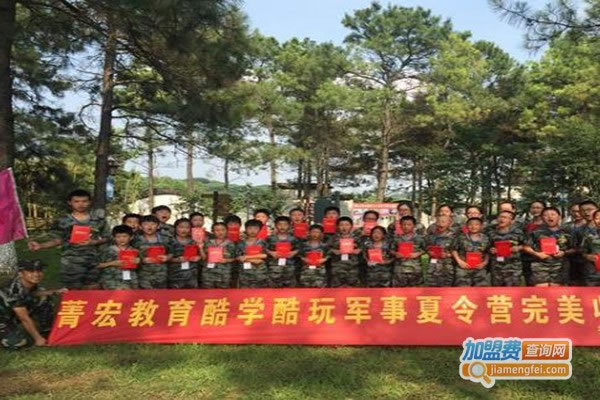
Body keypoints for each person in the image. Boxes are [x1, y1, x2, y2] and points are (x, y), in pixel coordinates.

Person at [28, 189, 109, 289]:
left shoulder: (99, 220)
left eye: (84, 201)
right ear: (70, 202)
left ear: (90, 202)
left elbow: (107, 237)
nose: (81, 204)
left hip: (94, 261)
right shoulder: (62, 221)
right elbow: (57, 240)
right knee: (72, 291)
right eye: (76, 201)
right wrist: (41, 245)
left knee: (93, 289)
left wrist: (94, 242)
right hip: (71, 262)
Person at [0, 260, 66, 349]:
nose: (36, 274)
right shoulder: (13, 290)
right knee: (17, 343)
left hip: (11, 313)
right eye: (30, 271)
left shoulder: (28, 282)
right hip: (3, 318)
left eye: (39, 270)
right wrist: (38, 339)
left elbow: (32, 293)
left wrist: (54, 292)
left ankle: (48, 330)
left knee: (44, 298)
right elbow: (24, 318)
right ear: (20, 273)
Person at [523, 207, 574, 287]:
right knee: (541, 290)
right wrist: (537, 254)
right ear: (542, 218)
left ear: (559, 217)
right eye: (546, 215)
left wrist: (564, 252)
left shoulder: (567, 232)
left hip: (560, 266)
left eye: (553, 214)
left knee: (557, 291)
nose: (550, 217)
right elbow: (526, 247)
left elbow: (575, 248)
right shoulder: (535, 232)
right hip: (540, 265)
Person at [487, 211, 525, 286]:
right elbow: (486, 247)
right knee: (497, 291)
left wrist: (518, 247)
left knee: (513, 291)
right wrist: (491, 249)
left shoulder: (518, 232)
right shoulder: (491, 233)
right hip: (497, 267)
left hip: (513, 267)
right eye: (500, 217)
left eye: (505, 217)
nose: (502, 219)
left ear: (512, 220)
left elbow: (527, 245)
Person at [97, 225, 140, 289]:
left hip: (130, 281)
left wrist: (138, 261)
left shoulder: (135, 251)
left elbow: (140, 268)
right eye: (118, 237)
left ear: (131, 237)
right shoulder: (107, 250)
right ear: (113, 238)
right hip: (112, 281)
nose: (121, 239)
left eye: (125, 236)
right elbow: (97, 265)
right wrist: (112, 263)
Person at [451, 217, 491, 287]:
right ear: (466, 226)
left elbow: (487, 252)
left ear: (481, 226)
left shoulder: (486, 238)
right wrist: (459, 261)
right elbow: (454, 249)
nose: (473, 227)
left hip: (479, 268)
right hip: (464, 268)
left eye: (476, 224)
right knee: (462, 289)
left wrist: (485, 263)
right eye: (470, 224)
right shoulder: (460, 237)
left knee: (482, 289)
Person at [136, 215, 173, 289]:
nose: (149, 227)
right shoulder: (135, 240)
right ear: (140, 226)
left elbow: (172, 253)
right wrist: (142, 260)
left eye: (153, 224)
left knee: (161, 295)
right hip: (143, 275)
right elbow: (131, 256)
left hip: (161, 275)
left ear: (158, 226)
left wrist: (167, 257)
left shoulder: (165, 239)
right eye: (146, 224)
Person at [265, 216, 300, 288]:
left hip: (289, 266)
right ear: (275, 225)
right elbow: (264, 248)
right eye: (280, 224)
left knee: (290, 290)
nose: (282, 227)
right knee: (273, 289)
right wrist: (271, 252)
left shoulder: (294, 238)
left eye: (285, 224)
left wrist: (294, 252)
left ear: (289, 226)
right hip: (274, 267)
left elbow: (300, 249)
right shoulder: (270, 238)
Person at [328, 217, 362, 287]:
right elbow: (326, 249)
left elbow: (365, 248)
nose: (344, 227)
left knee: (353, 287)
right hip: (337, 266)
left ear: (351, 226)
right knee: (337, 287)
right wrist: (333, 251)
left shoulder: (357, 238)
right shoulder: (333, 238)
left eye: (347, 225)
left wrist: (359, 250)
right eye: (341, 225)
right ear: (337, 226)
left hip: (352, 266)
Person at [201, 223, 237, 289]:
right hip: (208, 273)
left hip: (224, 273)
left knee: (223, 293)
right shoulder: (208, 242)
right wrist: (200, 248)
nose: (220, 232)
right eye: (217, 230)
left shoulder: (230, 243)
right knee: (208, 293)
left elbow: (235, 258)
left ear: (227, 231)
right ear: (213, 231)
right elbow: (204, 258)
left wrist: (226, 260)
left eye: (223, 230)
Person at [392, 216, 426, 287]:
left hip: (415, 268)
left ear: (414, 226)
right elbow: (391, 250)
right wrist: (396, 253)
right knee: (399, 290)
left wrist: (417, 253)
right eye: (404, 224)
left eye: (409, 224)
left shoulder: (420, 238)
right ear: (400, 226)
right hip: (400, 269)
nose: (406, 227)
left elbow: (426, 249)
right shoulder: (396, 238)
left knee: (415, 290)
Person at [424, 215, 456, 287]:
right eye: (438, 222)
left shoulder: (454, 237)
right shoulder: (431, 236)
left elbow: (458, 251)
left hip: (447, 265)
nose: (440, 224)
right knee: (432, 287)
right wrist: (429, 252)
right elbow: (426, 247)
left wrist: (448, 255)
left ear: (449, 223)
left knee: (447, 287)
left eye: (443, 222)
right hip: (433, 265)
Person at [168, 218, 200, 289]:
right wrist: (176, 260)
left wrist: (198, 258)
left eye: (187, 227)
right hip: (175, 276)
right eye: (181, 227)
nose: (184, 230)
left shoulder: (194, 241)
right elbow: (162, 258)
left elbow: (201, 255)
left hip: (192, 276)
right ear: (175, 228)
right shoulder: (169, 241)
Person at [236, 220, 269, 288]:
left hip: (260, 273)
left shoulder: (263, 243)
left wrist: (247, 257)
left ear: (259, 230)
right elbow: (239, 257)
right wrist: (255, 260)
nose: (253, 231)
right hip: (245, 274)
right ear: (246, 229)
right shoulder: (241, 243)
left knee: (261, 292)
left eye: (255, 228)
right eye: (250, 228)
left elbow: (265, 255)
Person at [521, 200, 546, 286]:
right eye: (533, 208)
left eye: (538, 208)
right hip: (527, 257)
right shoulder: (525, 224)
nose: (535, 210)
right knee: (529, 282)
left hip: (542, 258)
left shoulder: (547, 224)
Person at [581, 210, 600, 286]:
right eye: (597, 218)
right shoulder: (589, 235)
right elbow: (583, 252)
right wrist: (587, 256)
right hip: (593, 273)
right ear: (594, 220)